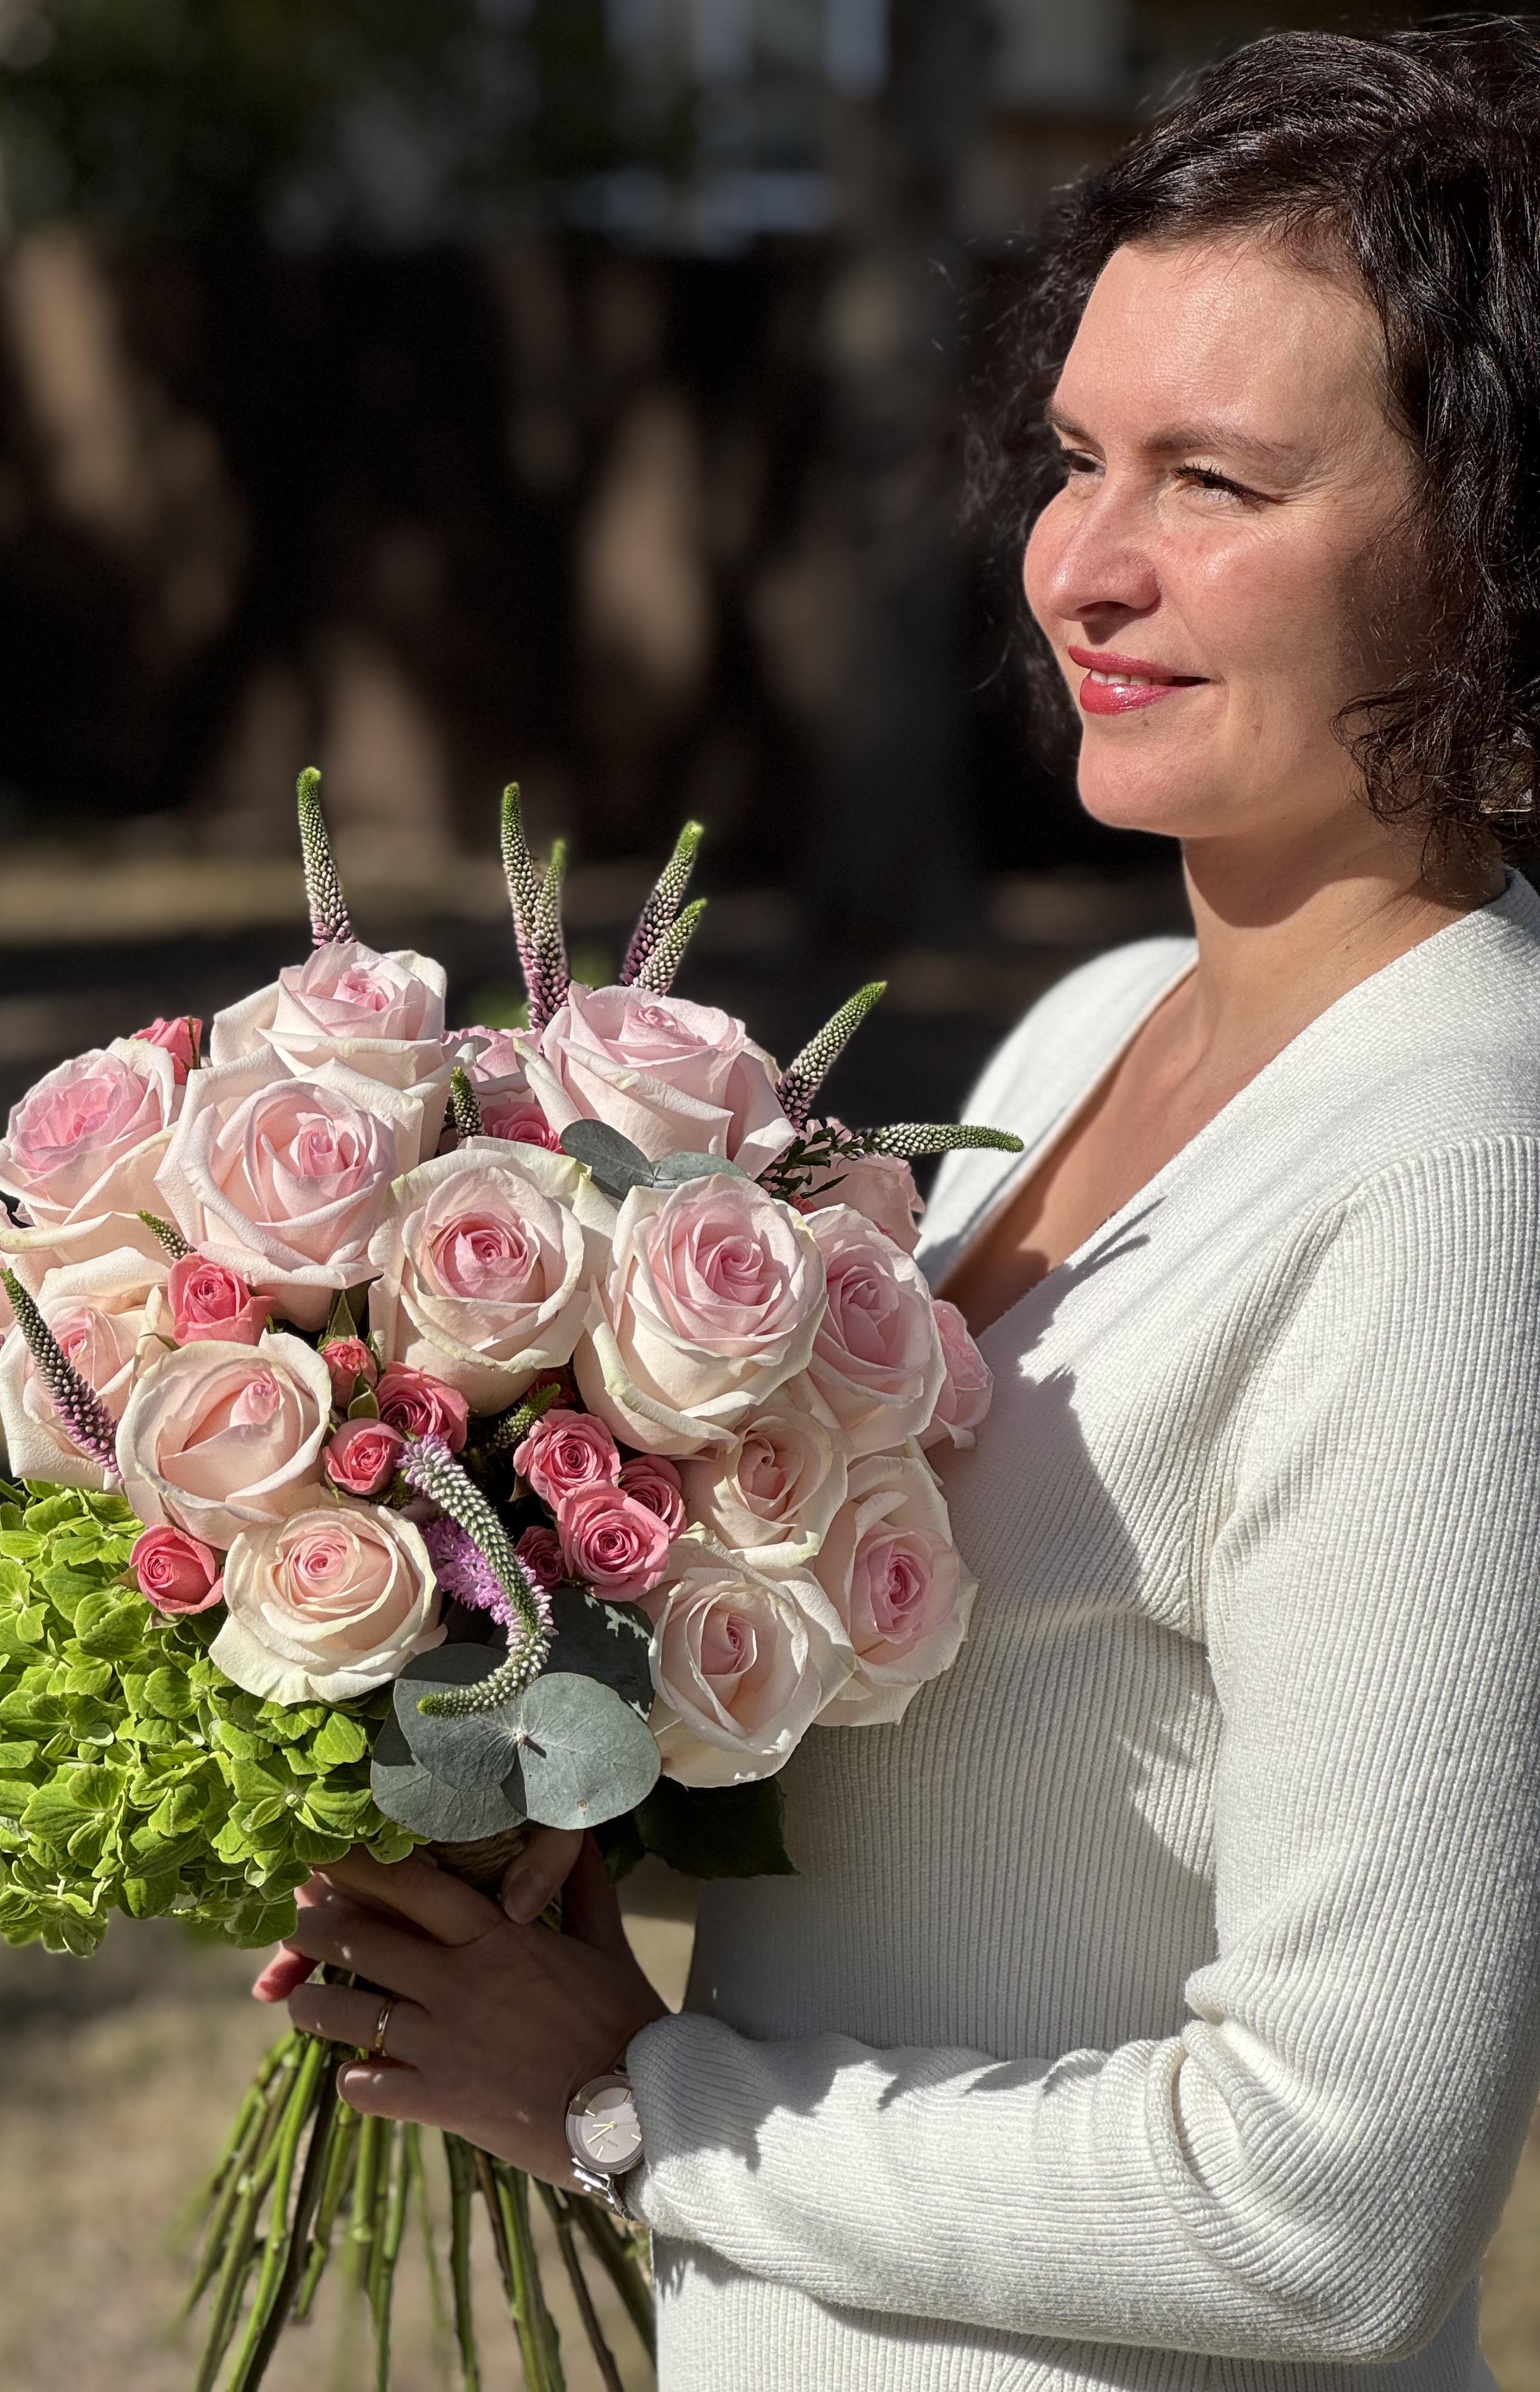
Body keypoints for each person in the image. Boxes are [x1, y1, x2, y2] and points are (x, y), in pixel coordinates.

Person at [260, 23, 1540, 2389]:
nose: (1087, 564)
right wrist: (541, 1768)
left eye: (1217, 482)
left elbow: (1328, 2206)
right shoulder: (1099, 1026)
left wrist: (634, 2101)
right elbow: (1007, 1812)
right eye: (1075, 458)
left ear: (1493, 541)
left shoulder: (1461, 1187)